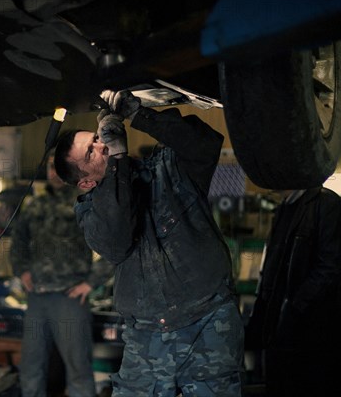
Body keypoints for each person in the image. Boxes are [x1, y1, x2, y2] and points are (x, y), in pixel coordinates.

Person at [53, 89, 243, 396]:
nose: (101, 145)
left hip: (208, 324)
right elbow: (116, 239)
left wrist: (139, 115)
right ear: (85, 182)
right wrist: (117, 158)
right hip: (147, 337)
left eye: (97, 138)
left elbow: (206, 144)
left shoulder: (166, 171)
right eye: (91, 152)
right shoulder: (90, 213)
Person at [10, 152, 114, 397]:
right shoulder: (35, 205)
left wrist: (91, 283)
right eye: (50, 167)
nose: (53, 172)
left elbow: (112, 247)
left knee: (78, 367)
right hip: (37, 298)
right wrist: (22, 270)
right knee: (31, 366)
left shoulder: (85, 202)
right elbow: (18, 242)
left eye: (59, 167)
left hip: (70, 298)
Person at [244, 188, 341, 397]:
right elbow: (272, 272)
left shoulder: (326, 204)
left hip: (311, 337)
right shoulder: (284, 209)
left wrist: (294, 308)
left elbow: (331, 266)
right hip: (282, 337)